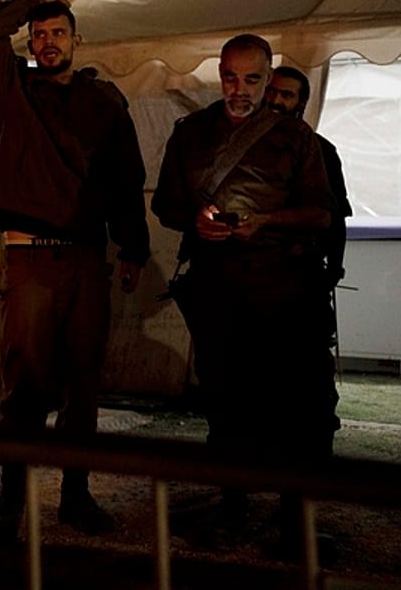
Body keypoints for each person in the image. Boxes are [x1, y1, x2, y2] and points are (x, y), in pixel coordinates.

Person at [152, 36, 337, 553]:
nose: (239, 90)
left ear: (268, 76)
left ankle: (293, 519)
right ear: (219, 74)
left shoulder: (294, 138)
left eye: (252, 79)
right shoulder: (191, 134)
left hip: (283, 291)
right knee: (226, 404)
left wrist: (266, 222)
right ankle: (232, 508)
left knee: (292, 409)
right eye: (230, 78)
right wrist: (195, 219)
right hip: (218, 291)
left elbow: (321, 212)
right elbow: (166, 202)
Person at [0, 0, 150, 539]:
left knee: (83, 384)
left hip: (86, 256)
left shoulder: (104, 101)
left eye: (58, 32)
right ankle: (11, 502)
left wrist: (133, 247)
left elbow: (126, 176)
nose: (48, 42)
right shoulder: (16, 89)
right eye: (40, 34)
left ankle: (76, 495)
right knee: (22, 384)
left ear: (78, 40)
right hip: (30, 255)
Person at [265, 65, 353, 298]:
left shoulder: (321, 150)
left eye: (286, 95)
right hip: (241, 269)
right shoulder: (230, 143)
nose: (275, 100)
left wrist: (334, 268)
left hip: (298, 267)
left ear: (301, 102)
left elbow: (336, 215)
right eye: (270, 91)